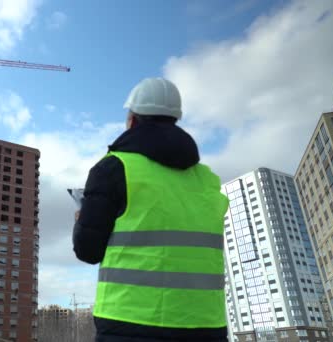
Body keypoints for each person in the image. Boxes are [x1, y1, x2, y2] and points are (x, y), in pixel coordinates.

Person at [73, 78, 229, 342]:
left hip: (128, 321)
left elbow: (87, 251)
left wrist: (81, 220)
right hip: (205, 325)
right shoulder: (207, 179)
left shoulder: (113, 168)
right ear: (174, 120)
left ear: (132, 120)